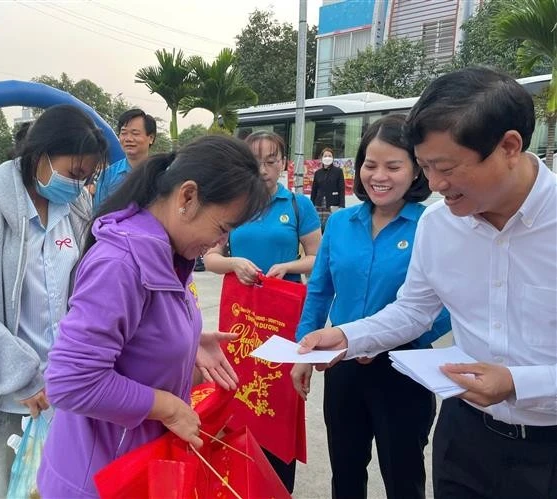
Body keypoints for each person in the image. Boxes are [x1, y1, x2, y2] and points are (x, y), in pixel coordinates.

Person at [297, 67, 557, 499]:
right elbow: (413, 310)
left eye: (445, 168)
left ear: (509, 146)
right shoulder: (440, 225)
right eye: (426, 167)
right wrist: (346, 336)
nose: (434, 184)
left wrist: (518, 383)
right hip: (465, 436)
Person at [35, 135, 268, 498]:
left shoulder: (170, 254)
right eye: (222, 229)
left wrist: (187, 344)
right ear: (187, 197)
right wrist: (169, 409)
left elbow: (139, 337)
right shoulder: (121, 263)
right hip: (100, 479)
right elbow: (71, 382)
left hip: (138, 468)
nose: (219, 243)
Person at [0, 104, 108, 498]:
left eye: (86, 177)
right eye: (73, 172)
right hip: (3, 398)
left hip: (63, 393)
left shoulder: (74, 209)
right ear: (40, 154)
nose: (77, 185)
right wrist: (20, 375)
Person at [292, 115, 451, 499]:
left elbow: (445, 303)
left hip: (404, 369)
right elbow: (319, 291)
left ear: (416, 170)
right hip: (343, 367)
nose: (379, 175)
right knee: (345, 472)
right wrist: (302, 350)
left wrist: (380, 341)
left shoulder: (433, 225)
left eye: (393, 166)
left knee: (403, 474)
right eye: (370, 164)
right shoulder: (343, 222)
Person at [203, 130, 321, 492]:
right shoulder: (235, 207)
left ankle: (278, 486)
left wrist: (289, 266)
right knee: (238, 399)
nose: (264, 169)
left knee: (280, 399)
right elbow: (209, 258)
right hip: (240, 322)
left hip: (283, 322)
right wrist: (234, 261)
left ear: (284, 164)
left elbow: (319, 260)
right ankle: (241, 482)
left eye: (272, 161)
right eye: (256, 161)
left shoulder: (299, 206)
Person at [93, 108, 156, 208]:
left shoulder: (161, 173)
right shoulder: (108, 175)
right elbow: (98, 213)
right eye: (124, 133)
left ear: (151, 138)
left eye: (135, 133)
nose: (128, 139)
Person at [311, 147, 346, 230]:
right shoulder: (317, 173)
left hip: (333, 203)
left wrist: (342, 205)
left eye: (330, 156)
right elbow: (314, 190)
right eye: (325, 155)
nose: (327, 158)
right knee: (318, 226)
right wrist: (311, 205)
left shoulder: (338, 171)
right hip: (319, 204)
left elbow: (341, 189)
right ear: (322, 158)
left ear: (333, 158)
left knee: (331, 226)